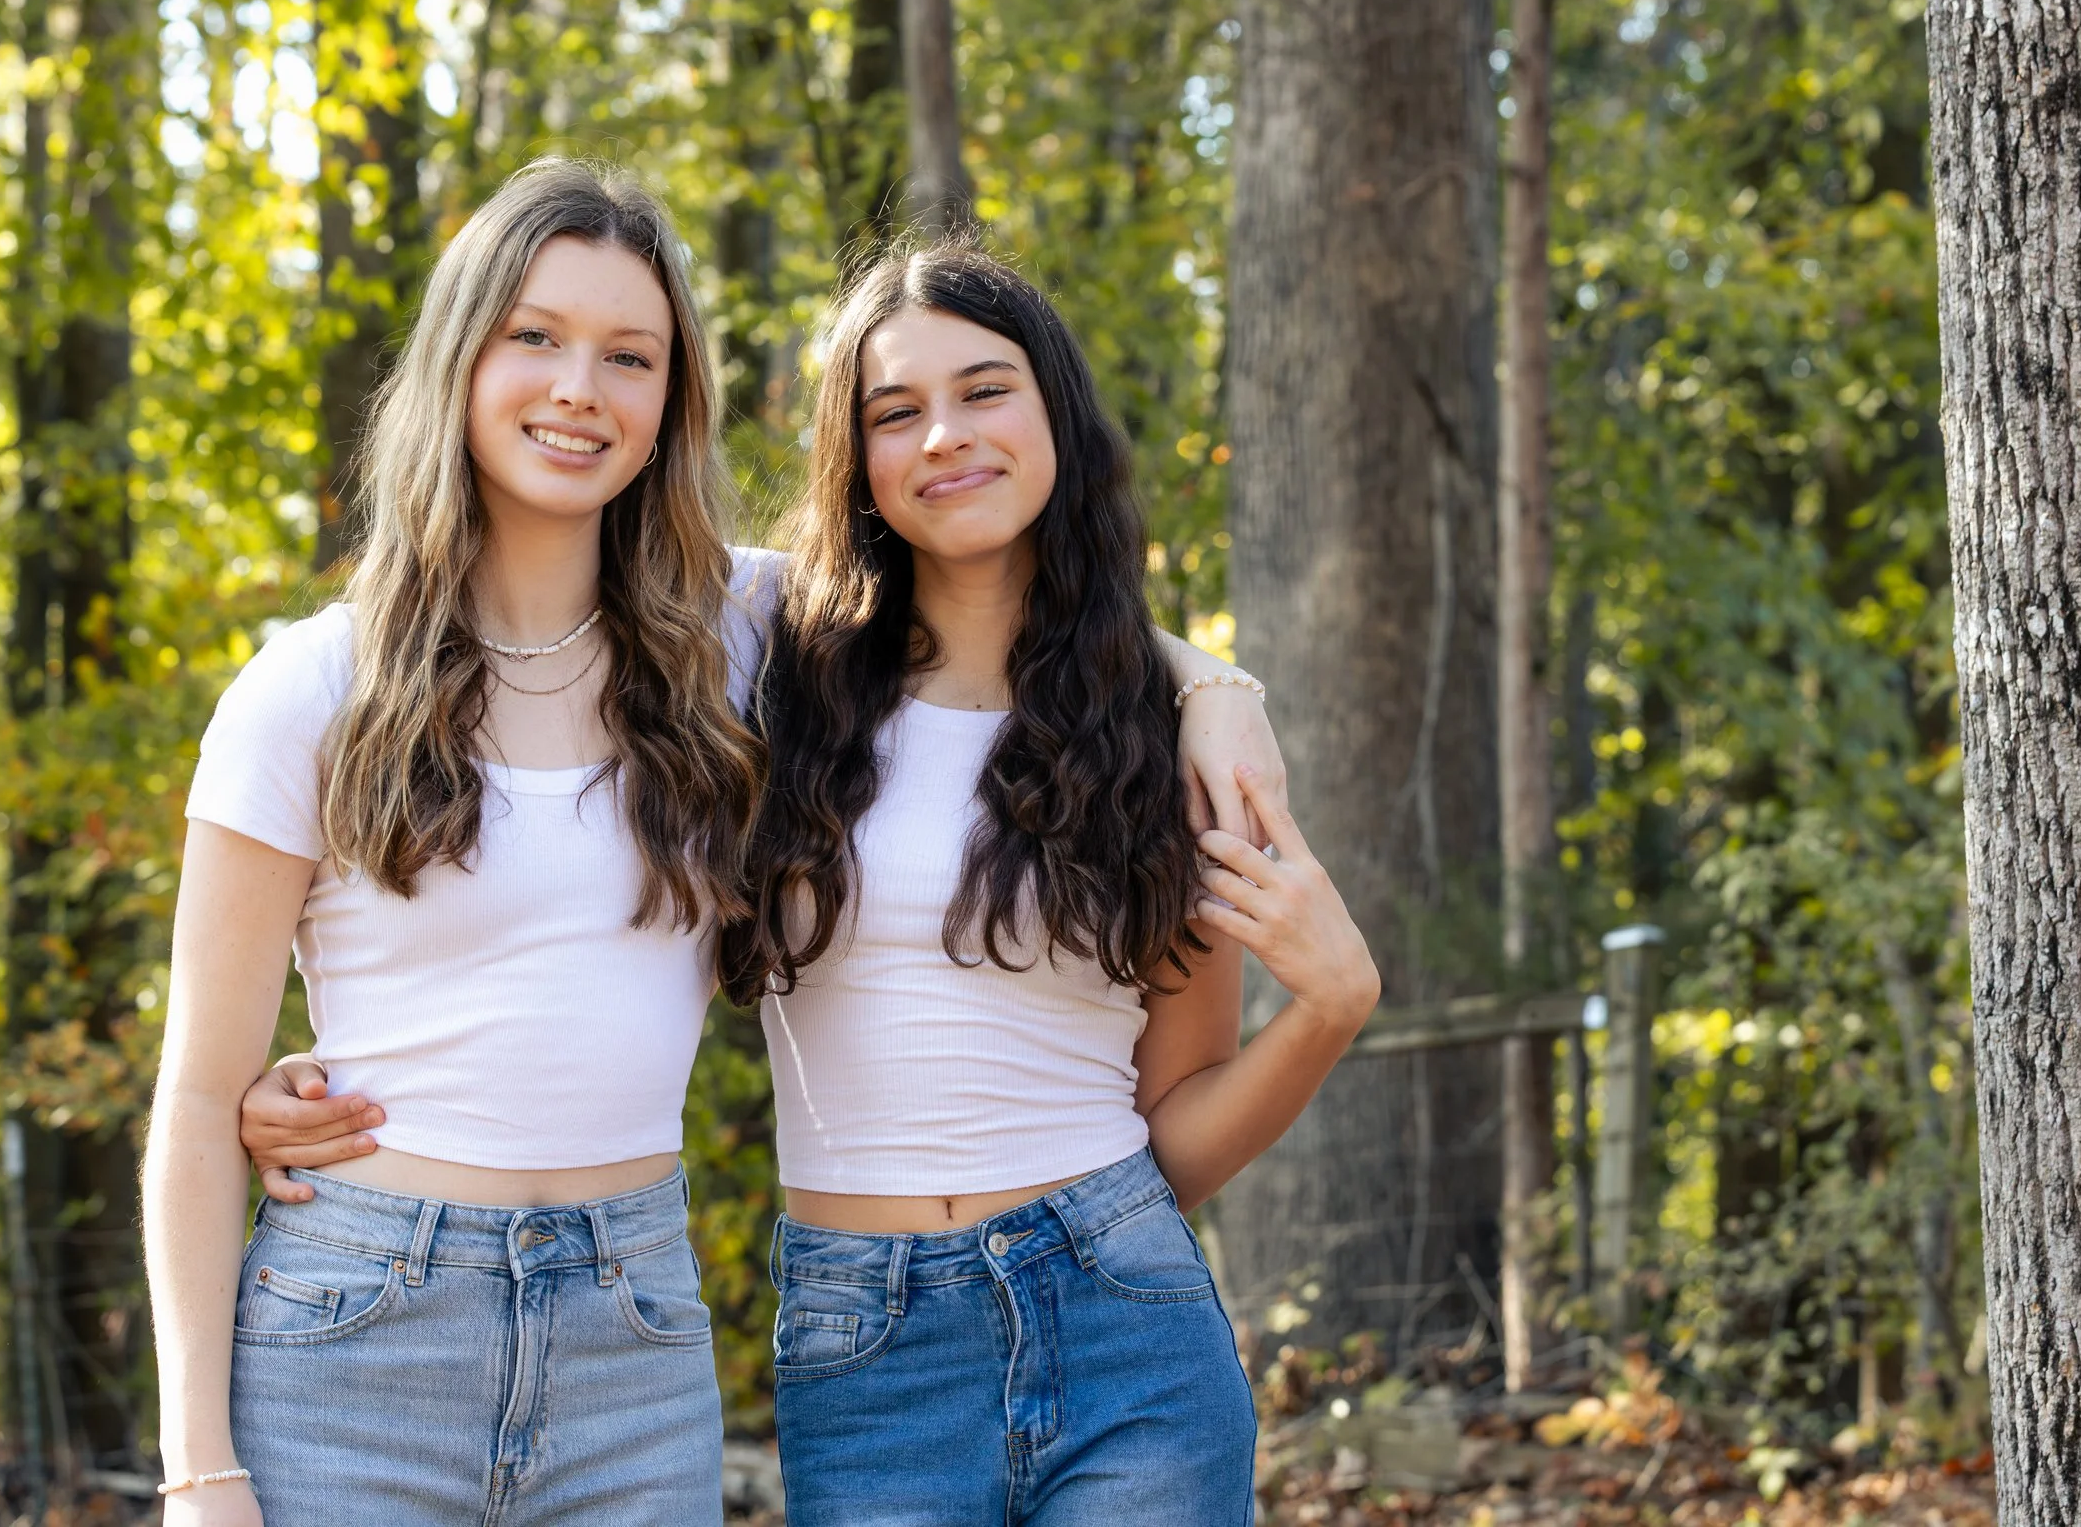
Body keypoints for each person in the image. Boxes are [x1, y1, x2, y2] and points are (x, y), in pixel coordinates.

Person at [142, 159, 767, 1527]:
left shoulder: (734, 643)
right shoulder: (312, 690)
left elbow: (987, 585)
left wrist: (1216, 691)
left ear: (671, 403)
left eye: (630, 356)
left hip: (635, 1344)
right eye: (534, 337)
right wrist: (200, 1468)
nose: (579, 389)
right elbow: (198, 1100)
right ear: (459, 359)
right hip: (356, 1339)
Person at [720, 243, 1379, 1524]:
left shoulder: (1155, 737)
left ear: (1055, 414)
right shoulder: (766, 659)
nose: (944, 437)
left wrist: (1330, 1009)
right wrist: (1216, 675)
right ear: (852, 459)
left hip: (1121, 1317)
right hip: (865, 1353)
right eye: (894, 412)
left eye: (985, 390)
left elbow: (1173, 1128)